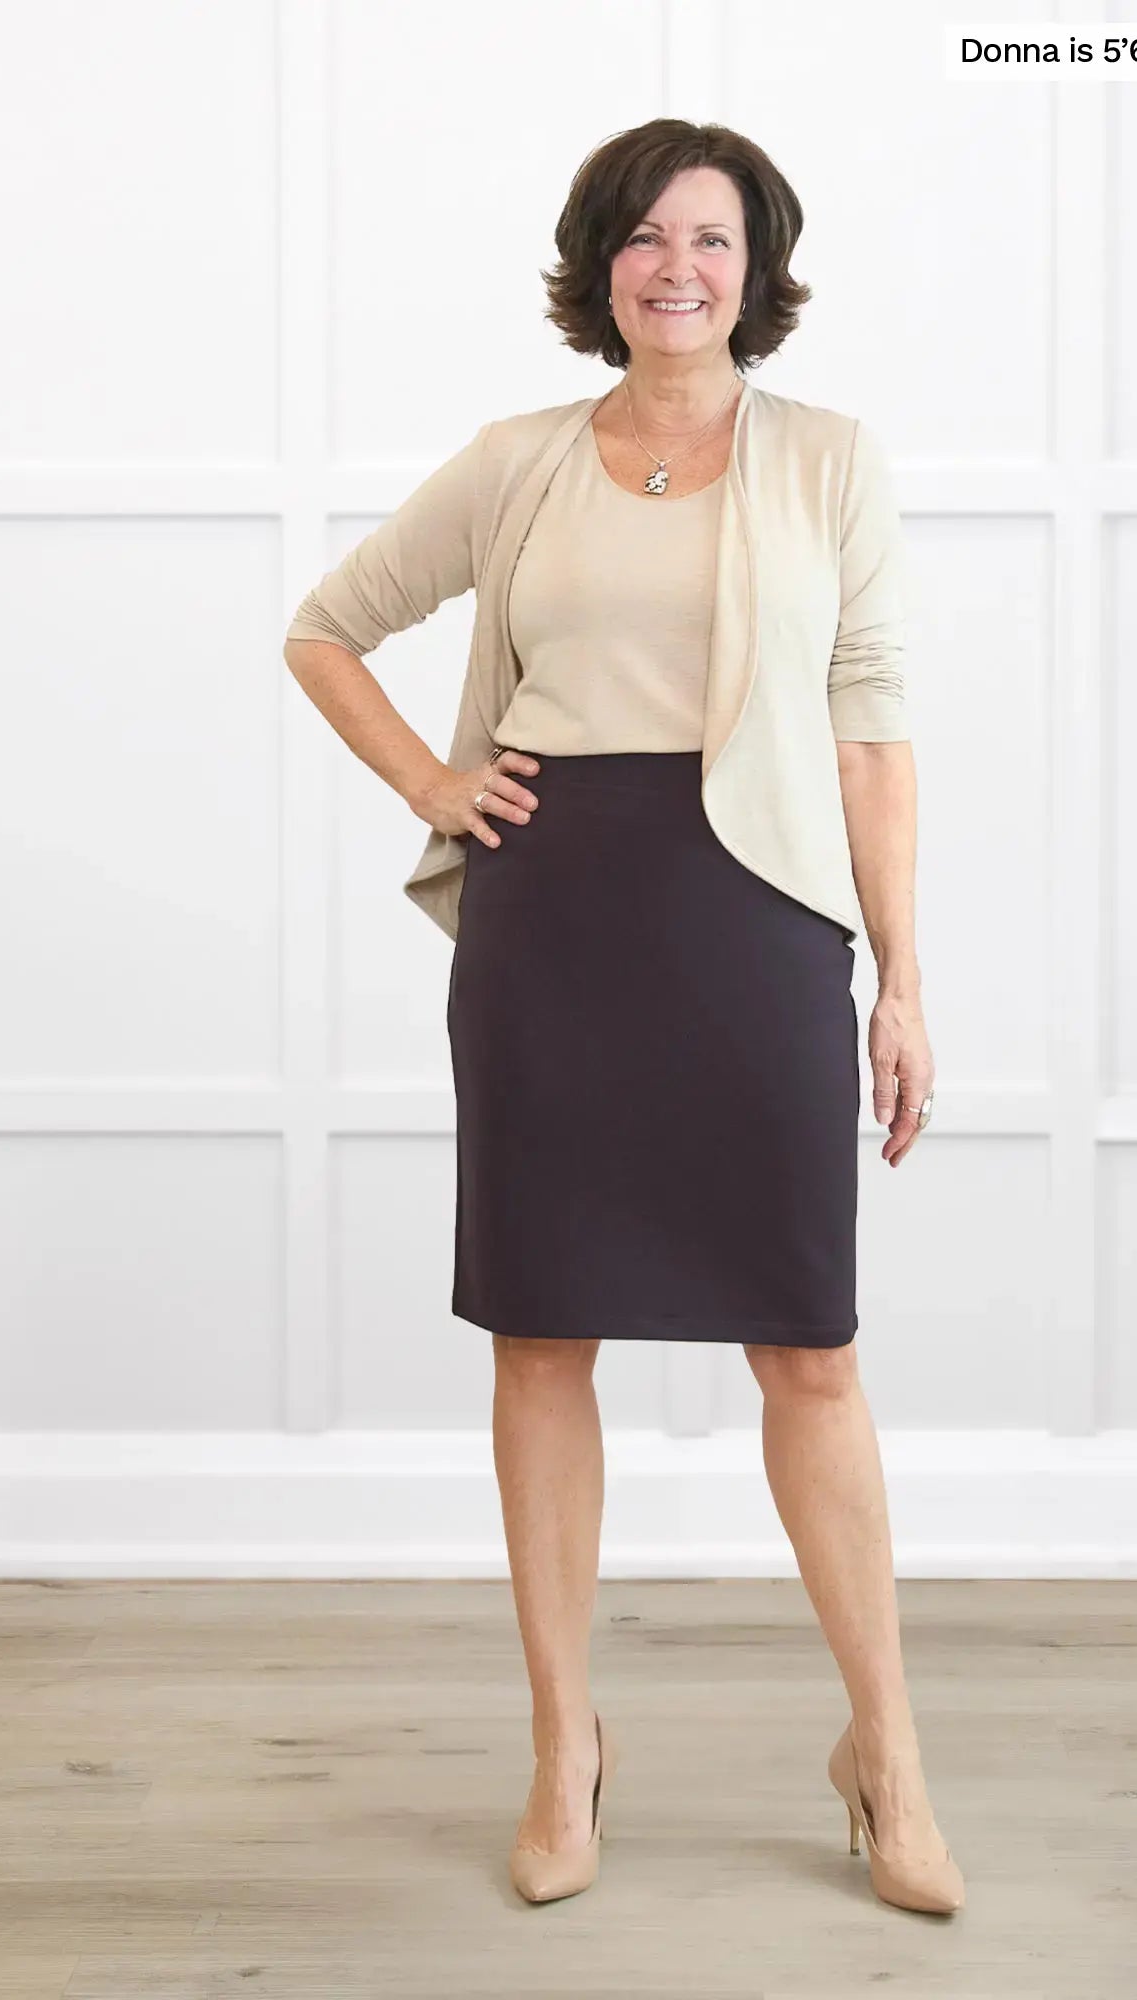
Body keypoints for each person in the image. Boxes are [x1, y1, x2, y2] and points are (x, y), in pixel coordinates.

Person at [282, 117, 962, 1918]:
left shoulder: (827, 462)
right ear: (602, 266)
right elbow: (327, 627)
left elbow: (875, 734)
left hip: (758, 924)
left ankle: (885, 1750)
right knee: (542, 1339)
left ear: (761, 268)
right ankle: (564, 1743)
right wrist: (439, 775)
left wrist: (900, 975)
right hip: (556, 918)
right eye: (648, 238)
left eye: (715, 239)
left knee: (807, 1342)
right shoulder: (519, 462)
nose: (681, 268)